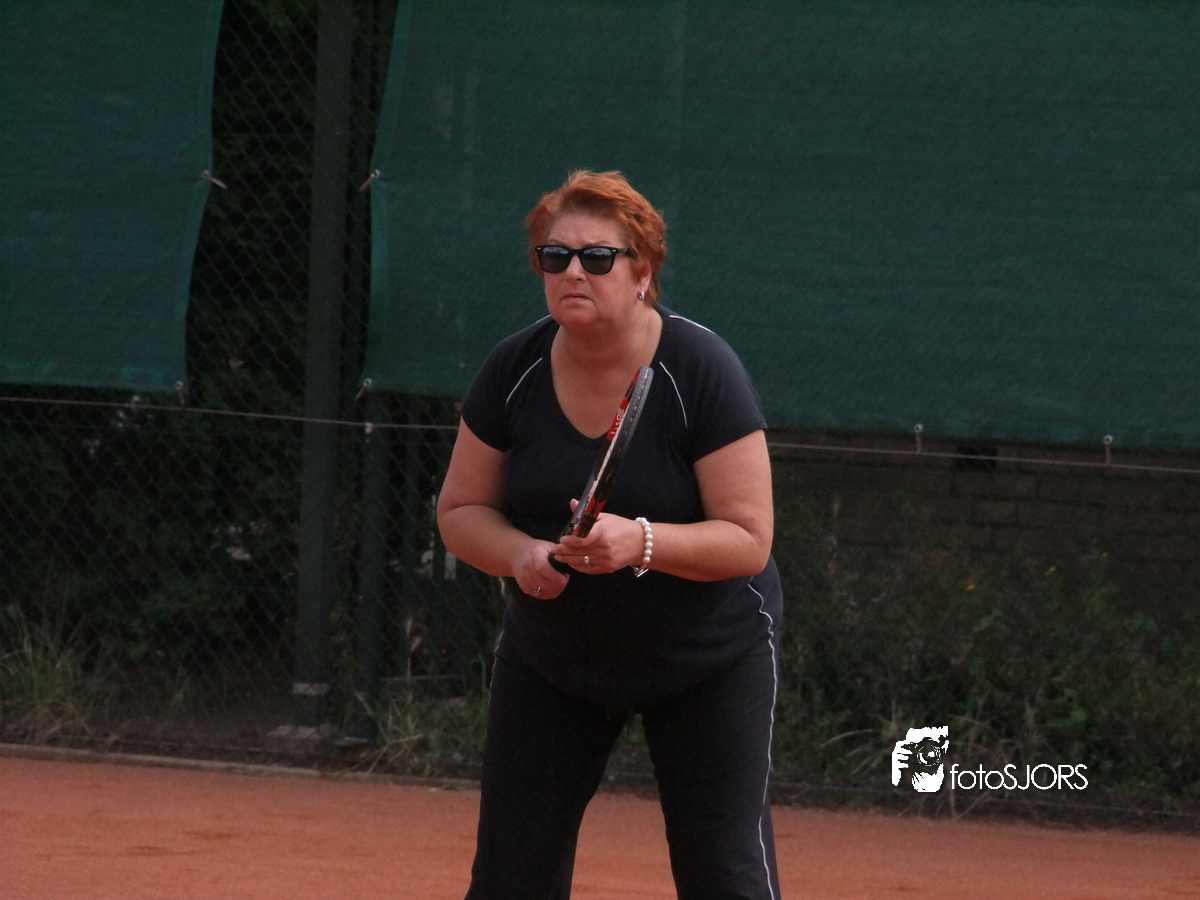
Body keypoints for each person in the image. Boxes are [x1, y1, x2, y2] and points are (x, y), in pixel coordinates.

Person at [437, 170, 783, 899]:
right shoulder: (511, 369)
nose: (573, 272)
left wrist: (641, 542)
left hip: (705, 656)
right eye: (554, 256)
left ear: (643, 272)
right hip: (555, 657)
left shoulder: (703, 369)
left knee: (724, 877)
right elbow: (461, 510)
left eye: (598, 257)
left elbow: (749, 538)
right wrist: (520, 553)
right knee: (508, 880)